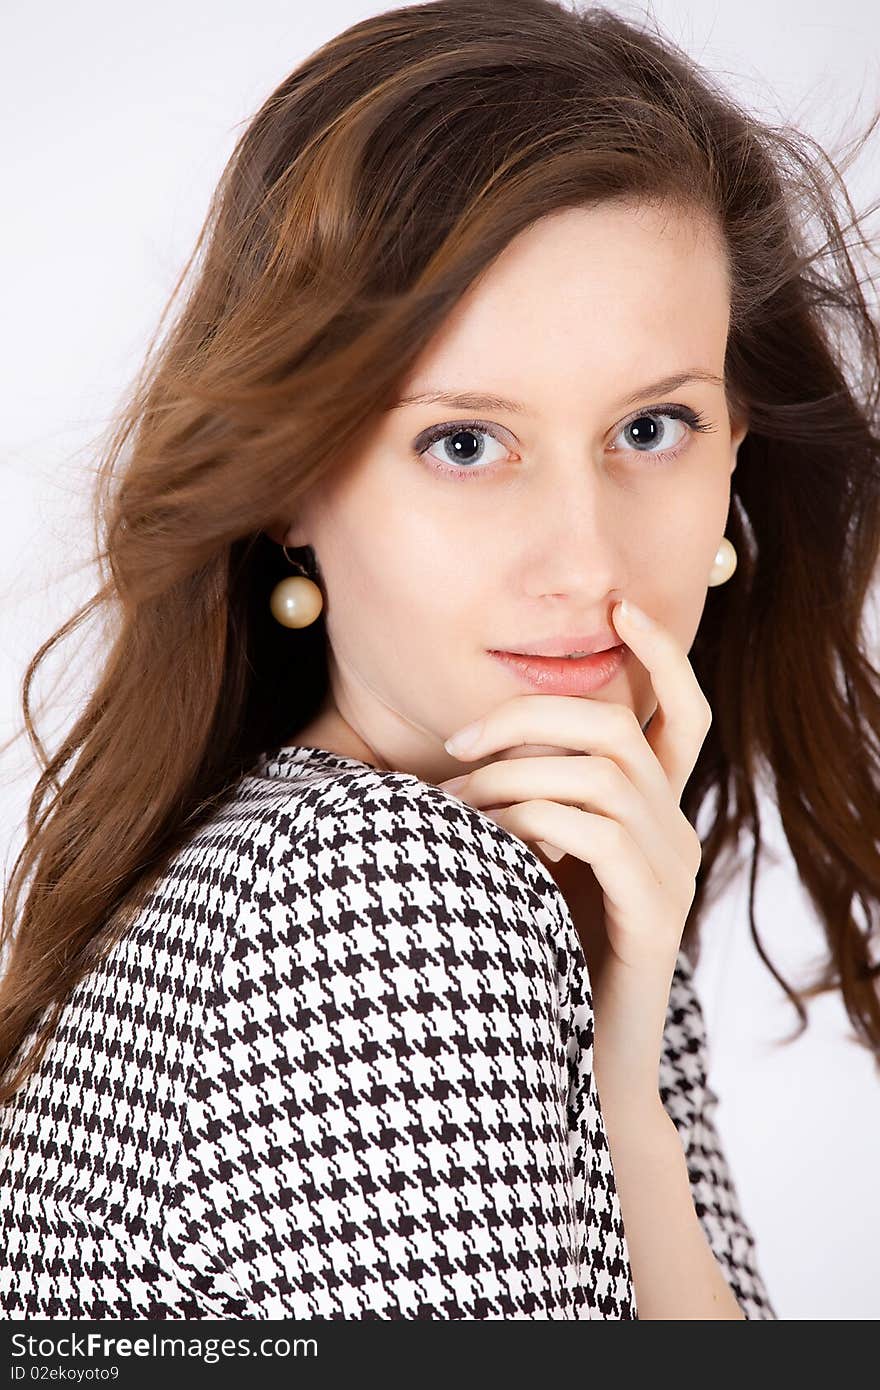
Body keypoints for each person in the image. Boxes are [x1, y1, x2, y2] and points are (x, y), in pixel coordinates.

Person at [2, 0, 879, 1319]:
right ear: (290, 475)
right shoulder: (383, 898)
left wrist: (625, 1077)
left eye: (651, 425)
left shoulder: (531, 875)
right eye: (465, 443)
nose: (585, 560)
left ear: (738, 440)